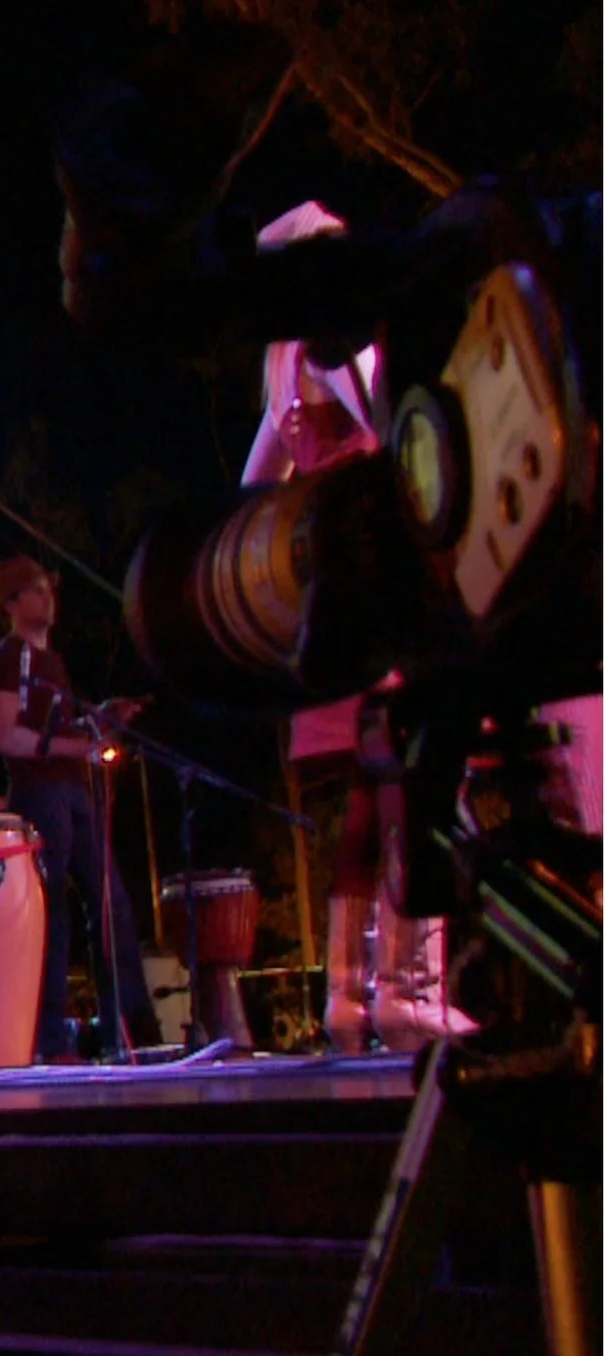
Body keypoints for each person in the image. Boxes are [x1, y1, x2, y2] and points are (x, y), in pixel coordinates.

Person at [241, 201, 473, 1055]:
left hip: (327, 579)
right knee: (406, 781)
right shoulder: (338, 351)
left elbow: (252, 483)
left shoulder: (279, 370)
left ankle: (349, 999)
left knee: (368, 799)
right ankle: (408, 993)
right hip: (382, 566)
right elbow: (394, 427)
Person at [0, 556, 159, 1061]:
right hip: (41, 794)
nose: (48, 599)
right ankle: (49, 1038)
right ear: (11, 604)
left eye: (48, 590)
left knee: (110, 905)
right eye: (35, 591)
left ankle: (125, 1034)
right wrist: (73, 747)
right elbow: (3, 734)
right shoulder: (8, 656)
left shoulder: (51, 662)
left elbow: (54, 727)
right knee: (51, 911)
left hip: (75, 790)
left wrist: (101, 719)